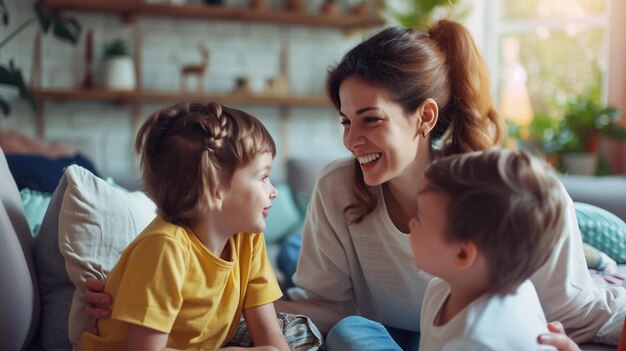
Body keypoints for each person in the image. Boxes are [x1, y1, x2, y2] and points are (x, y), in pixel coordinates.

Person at [85, 20, 626, 350]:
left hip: (577, 239)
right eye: (346, 121)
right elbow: (324, 308)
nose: (352, 140)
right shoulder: (338, 188)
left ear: (424, 116)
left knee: (592, 241)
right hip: (408, 330)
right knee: (347, 336)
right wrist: (144, 299)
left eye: (370, 119)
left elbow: (581, 313)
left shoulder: (502, 201)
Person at [78, 101, 289, 351]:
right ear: (216, 189)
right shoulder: (164, 248)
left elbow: (267, 331)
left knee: (296, 332)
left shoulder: (247, 238)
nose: (273, 191)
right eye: (263, 177)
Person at [410, 148, 564, 350]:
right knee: (357, 327)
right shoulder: (440, 290)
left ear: (463, 254)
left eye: (420, 218)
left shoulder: (476, 341)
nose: (411, 223)